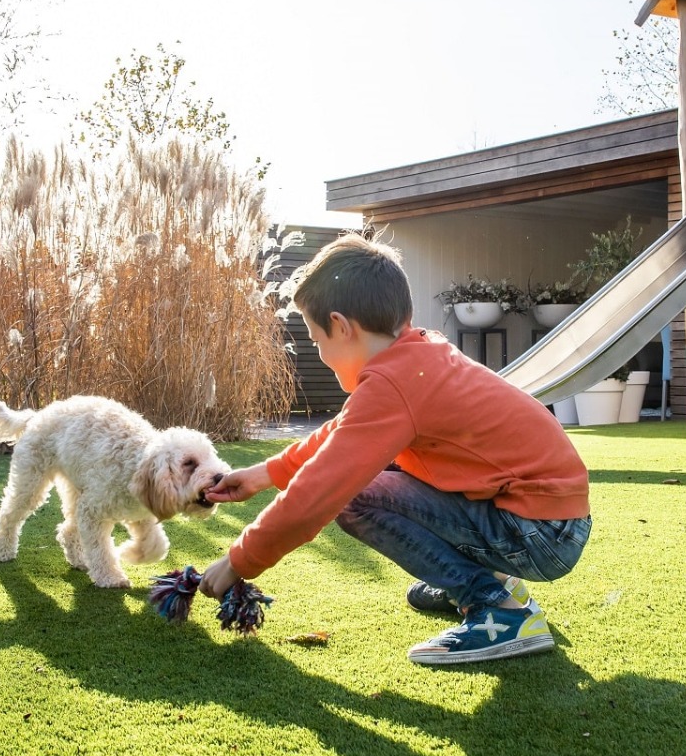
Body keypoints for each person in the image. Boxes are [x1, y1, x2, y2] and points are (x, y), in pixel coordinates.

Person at [198, 234, 591, 665]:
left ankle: (496, 607)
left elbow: (319, 490)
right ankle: (495, 581)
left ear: (341, 326)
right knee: (389, 470)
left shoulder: (394, 383)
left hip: (539, 533)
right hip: (549, 520)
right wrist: (264, 475)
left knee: (352, 495)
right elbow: (342, 434)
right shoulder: (418, 352)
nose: (320, 353)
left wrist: (238, 561)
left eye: (316, 340)